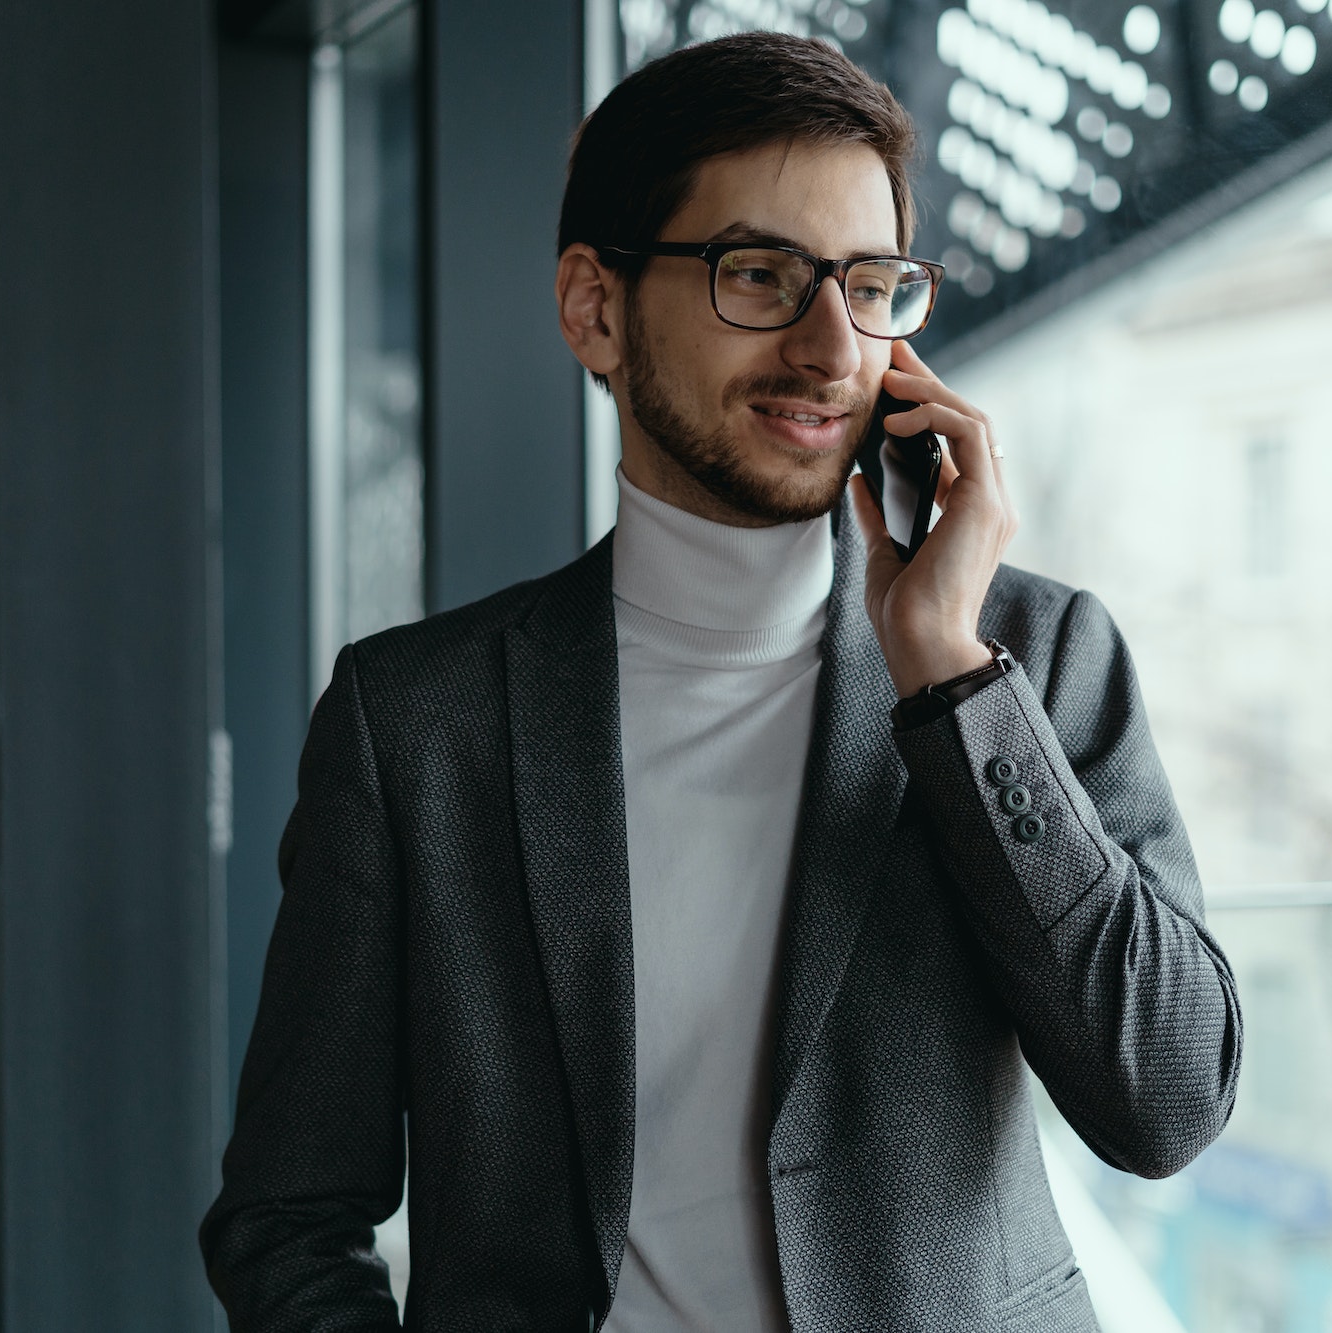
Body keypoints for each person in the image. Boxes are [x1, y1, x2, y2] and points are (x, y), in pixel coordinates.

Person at [201, 30, 1240, 1331]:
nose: (828, 344)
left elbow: (1170, 1101)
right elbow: (287, 1215)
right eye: (760, 273)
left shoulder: (1031, 664)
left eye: (871, 285)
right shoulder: (414, 724)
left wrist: (948, 676)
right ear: (596, 307)